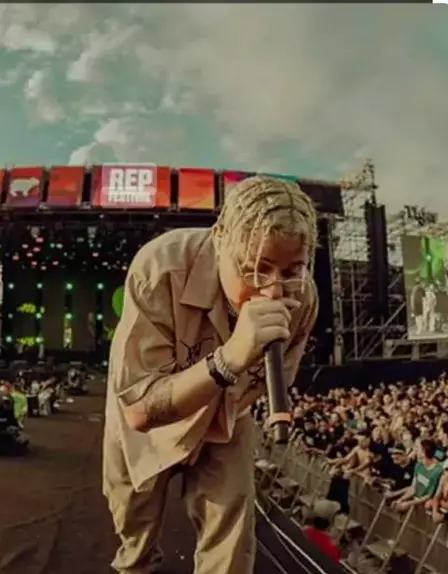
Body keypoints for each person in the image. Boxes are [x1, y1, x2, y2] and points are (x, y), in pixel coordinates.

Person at [103, 176, 319, 574]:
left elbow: (271, 382)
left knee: (231, 535)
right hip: (149, 417)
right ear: (220, 239)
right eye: (256, 268)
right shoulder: (160, 268)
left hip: (224, 413)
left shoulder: (302, 298)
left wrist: (220, 401)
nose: (273, 291)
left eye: (292, 269)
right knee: (134, 523)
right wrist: (229, 358)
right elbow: (138, 410)